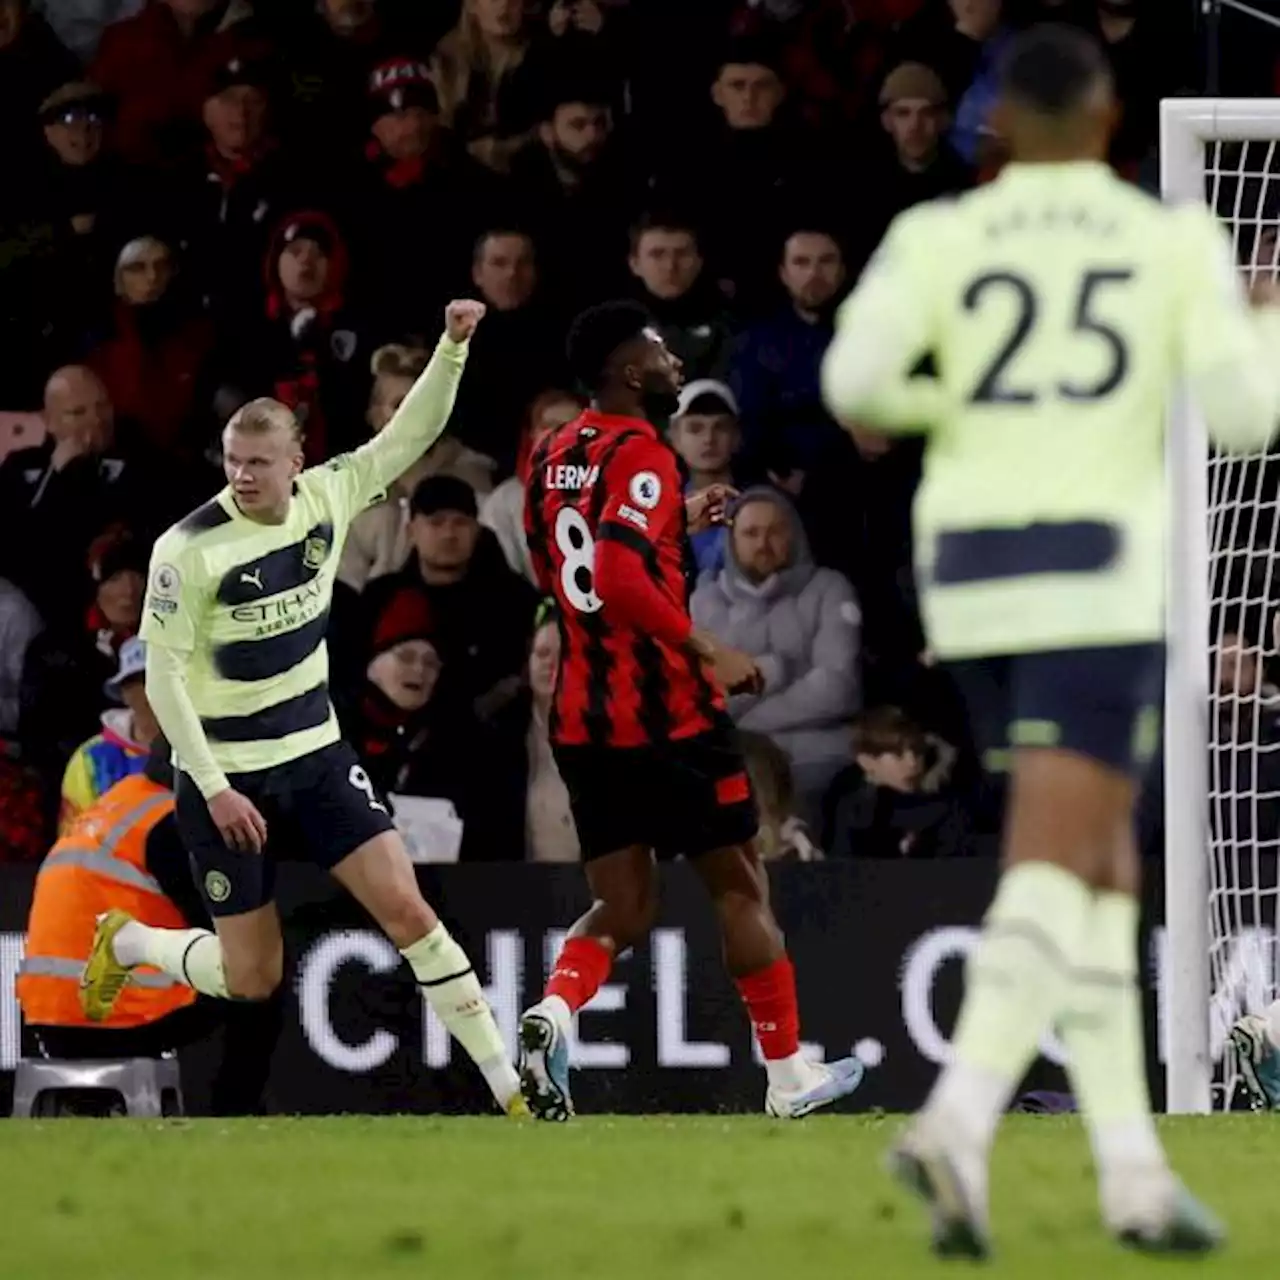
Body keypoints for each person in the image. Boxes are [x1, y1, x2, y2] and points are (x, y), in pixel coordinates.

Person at [821, 23, 1280, 1259]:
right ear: (1107, 121)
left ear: (996, 130)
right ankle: (953, 1118)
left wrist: (948, 403)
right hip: (1090, 572)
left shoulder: (937, 236)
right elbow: (1245, 419)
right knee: (1058, 858)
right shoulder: (1163, 237)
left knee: (1102, 873)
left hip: (966, 576)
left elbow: (855, 387)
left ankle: (1130, 1171)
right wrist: (1266, 313)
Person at [78, 299, 531, 1119]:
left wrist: (453, 348)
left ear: (297, 460)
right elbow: (168, 681)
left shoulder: (331, 494)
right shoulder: (188, 550)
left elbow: (410, 437)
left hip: (317, 758)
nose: (242, 476)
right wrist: (213, 785)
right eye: (232, 460)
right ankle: (135, 942)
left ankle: (512, 1090)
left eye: (258, 461)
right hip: (228, 781)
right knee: (252, 977)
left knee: (408, 909)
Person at [518, 298, 864, 1121]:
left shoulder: (553, 449)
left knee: (625, 905)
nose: (674, 359)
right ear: (629, 370)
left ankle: (554, 1013)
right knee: (740, 887)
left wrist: (670, 523)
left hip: (580, 715)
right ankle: (788, 1077)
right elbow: (616, 573)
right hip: (667, 712)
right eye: (660, 349)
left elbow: (566, 566)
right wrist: (712, 651)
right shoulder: (643, 448)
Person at [19, 746, 279, 1115]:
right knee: (259, 968)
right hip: (116, 1017)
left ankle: (98, 1109)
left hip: (48, 1021)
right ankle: (238, 1115)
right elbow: (224, 931)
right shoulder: (171, 822)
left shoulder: (116, 805)